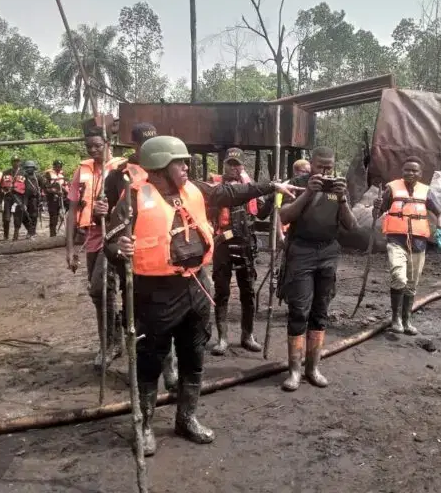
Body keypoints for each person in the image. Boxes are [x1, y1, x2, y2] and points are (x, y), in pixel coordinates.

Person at [103, 136, 298, 455]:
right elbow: (112, 241)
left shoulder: (195, 190)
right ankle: (145, 426)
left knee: (194, 356)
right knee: (150, 360)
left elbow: (231, 192)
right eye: (179, 163)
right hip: (154, 293)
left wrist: (270, 186)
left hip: (196, 287)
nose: (186, 167)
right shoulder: (134, 197)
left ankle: (186, 418)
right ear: (160, 167)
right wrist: (119, 249)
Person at [104, 122, 179, 393]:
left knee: (168, 317)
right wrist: (103, 213)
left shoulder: (164, 168)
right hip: (131, 255)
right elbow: (110, 217)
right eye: (142, 142)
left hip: (165, 256)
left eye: (151, 140)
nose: (147, 147)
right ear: (133, 144)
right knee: (135, 317)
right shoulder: (118, 175)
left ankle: (170, 368)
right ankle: (137, 369)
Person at [277, 146, 358, 392]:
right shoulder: (298, 183)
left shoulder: (338, 188)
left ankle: (313, 368)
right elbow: (284, 217)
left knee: (320, 310)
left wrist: (342, 198)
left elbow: (352, 226)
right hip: (301, 251)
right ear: (311, 163)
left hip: (328, 252)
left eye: (329, 166)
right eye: (320, 165)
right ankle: (294, 370)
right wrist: (307, 193)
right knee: (299, 309)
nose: (325, 171)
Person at [65, 128, 126, 369]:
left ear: (108, 142)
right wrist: (69, 248)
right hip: (91, 236)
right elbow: (71, 210)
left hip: (114, 235)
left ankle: (111, 342)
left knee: (99, 288)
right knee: (100, 293)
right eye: (89, 146)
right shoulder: (82, 171)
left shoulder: (121, 168)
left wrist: (109, 211)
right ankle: (111, 339)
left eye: (97, 145)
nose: (93, 150)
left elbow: (132, 203)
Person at [372, 156, 441, 335]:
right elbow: (377, 214)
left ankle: (406, 320)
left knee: (411, 285)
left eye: (414, 170)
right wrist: (377, 206)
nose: (410, 173)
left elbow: (440, 213)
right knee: (399, 278)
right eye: (407, 170)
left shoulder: (426, 192)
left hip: (419, 243)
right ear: (402, 171)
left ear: (420, 174)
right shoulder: (391, 188)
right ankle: (395, 318)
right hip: (396, 240)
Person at [208, 147, 262, 355]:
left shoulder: (251, 187)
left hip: (246, 243)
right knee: (222, 290)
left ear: (242, 165)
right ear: (224, 165)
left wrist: (276, 199)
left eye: (237, 164)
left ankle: (247, 335)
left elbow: (262, 211)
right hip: (222, 243)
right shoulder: (215, 186)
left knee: (247, 290)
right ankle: (222, 338)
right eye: (230, 163)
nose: (233, 167)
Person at [0, 155, 24, 240]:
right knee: (6, 218)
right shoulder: (6, 172)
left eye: (17, 161)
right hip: (7, 198)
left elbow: (27, 188)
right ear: (11, 162)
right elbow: (0, 187)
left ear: (20, 162)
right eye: (14, 161)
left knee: (17, 218)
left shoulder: (23, 173)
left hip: (18, 198)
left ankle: (16, 235)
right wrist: (0, 201)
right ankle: (5, 236)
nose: (16, 163)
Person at [43, 159, 69, 237]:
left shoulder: (62, 174)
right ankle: (53, 234)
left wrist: (66, 192)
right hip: (52, 198)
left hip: (62, 197)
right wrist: (56, 191)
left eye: (60, 166)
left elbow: (65, 185)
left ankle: (71, 229)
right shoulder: (48, 174)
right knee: (53, 216)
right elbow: (46, 188)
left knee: (72, 207)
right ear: (54, 166)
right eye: (57, 166)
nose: (58, 168)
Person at [21, 160, 44, 239]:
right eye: (28, 167)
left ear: (34, 168)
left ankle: (32, 232)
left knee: (33, 216)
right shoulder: (23, 177)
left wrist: (41, 200)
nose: (29, 169)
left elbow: (43, 187)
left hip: (34, 198)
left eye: (31, 167)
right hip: (24, 198)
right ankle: (30, 230)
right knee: (23, 216)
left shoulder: (38, 177)